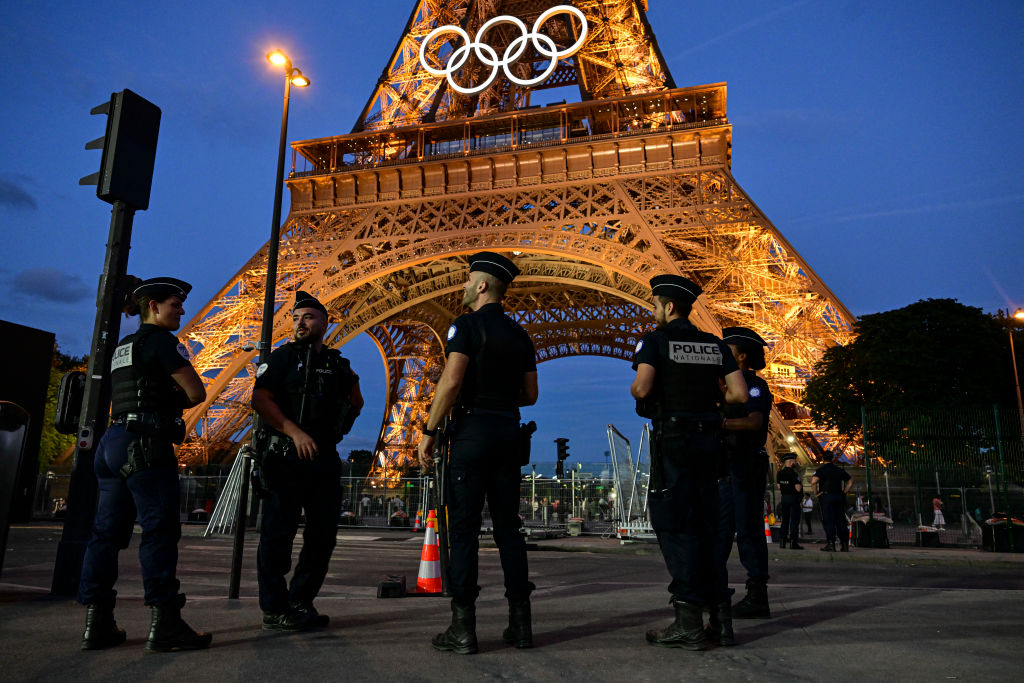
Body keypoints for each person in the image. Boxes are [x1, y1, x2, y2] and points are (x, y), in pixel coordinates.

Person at [78, 276, 212, 652]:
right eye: (175, 304)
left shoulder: (124, 346)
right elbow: (196, 392)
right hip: (145, 444)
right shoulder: (163, 343)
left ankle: (97, 621)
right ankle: (165, 622)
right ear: (152, 306)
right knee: (158, 532)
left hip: (112, 443)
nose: (182, 310)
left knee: (105, 535)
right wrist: (169, 397)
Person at [417, 251, 538, 655]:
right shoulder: (521, 335)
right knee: (509, 530)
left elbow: (450, 383)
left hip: (471, 433)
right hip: (508, 431)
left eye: (469, 280)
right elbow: (531, 395)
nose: (463, 286)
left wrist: (429, 430)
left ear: (482, 285)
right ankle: (521, 626)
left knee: (464, 529)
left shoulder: (466, 326)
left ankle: (463, 628)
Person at [630, 274, 747, 650]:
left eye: (654, 305)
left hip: (676, 442)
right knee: (709, 528)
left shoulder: (655, 340)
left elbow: (643, 388)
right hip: (710, 442)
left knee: (676, 526)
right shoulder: (715, 345)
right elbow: (739, 394)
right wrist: (709, 403)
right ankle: (721, 621)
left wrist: (640, 389)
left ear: (667, 306)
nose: (653, 311)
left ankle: (688, 622)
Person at [253, 290, 363, 631]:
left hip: (323, 458)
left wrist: (335, 430)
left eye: (308, 317)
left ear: (324, 322)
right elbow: (259, 398)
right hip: (285, 457)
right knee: (277, 535)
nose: (301, 323)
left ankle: (300, 600)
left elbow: (356, 400)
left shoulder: (337, 365)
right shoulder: (282, 358)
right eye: (296, 318)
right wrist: (294, 432)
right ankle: (275, 607)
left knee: (323, 536)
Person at [717, 326, 773, 622]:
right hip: (728, 465)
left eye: (727, 350)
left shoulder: (754, 385)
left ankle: (756, 595)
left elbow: (754, 423)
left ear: (740, 355)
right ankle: (718, 592)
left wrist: (720, 426)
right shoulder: (724, 386)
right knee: (721, 532)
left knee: (749, 530)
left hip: (745, 465)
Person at [811, 450, 852, 552]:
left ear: (823, 459)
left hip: (826, 497)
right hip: (839, 496)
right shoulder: (839, 469)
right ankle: (844, 544)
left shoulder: (821, 470)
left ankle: (831, 544)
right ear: (833, 458)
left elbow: (813, 482)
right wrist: (844, 492)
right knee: (840, 520)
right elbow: (850, 481)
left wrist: (816, 493)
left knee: (829, 521)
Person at [775, 454, 803, 550]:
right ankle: (793, 542)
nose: (796, 462)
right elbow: (798, 489)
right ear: (791, 462)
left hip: (784, 499)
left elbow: (778, 486)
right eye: (795, 461)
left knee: (785, 521)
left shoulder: (780, 473)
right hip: (793, 499)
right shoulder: (794, 473)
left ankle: (782, 542)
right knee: (794, 521)